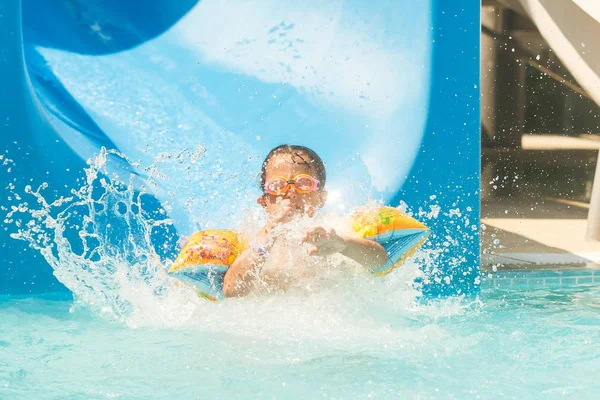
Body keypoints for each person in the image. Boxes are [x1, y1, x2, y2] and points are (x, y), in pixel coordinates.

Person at [222, 144, 388, 297]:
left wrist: (342, 245)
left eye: (304, 183)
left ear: (321, 199)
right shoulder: (253, 241)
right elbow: (231, 291)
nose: (291, 193)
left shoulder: (332, 231)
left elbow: (379, 261)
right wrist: (271, 230)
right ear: (264, 202)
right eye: (277, 186)